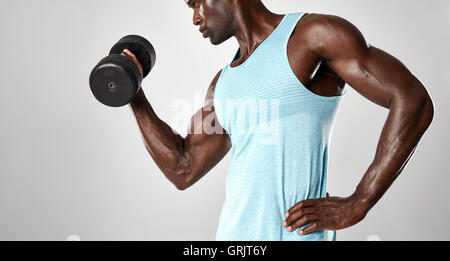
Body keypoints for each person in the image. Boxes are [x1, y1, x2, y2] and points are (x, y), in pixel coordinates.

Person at [120, 0, 434, 241]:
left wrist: (359, 200)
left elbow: (411, 100)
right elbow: (183, 167)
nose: (195, 18)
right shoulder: (223, 83)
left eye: (196, 2)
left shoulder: (312, 36)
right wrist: (133, 93)